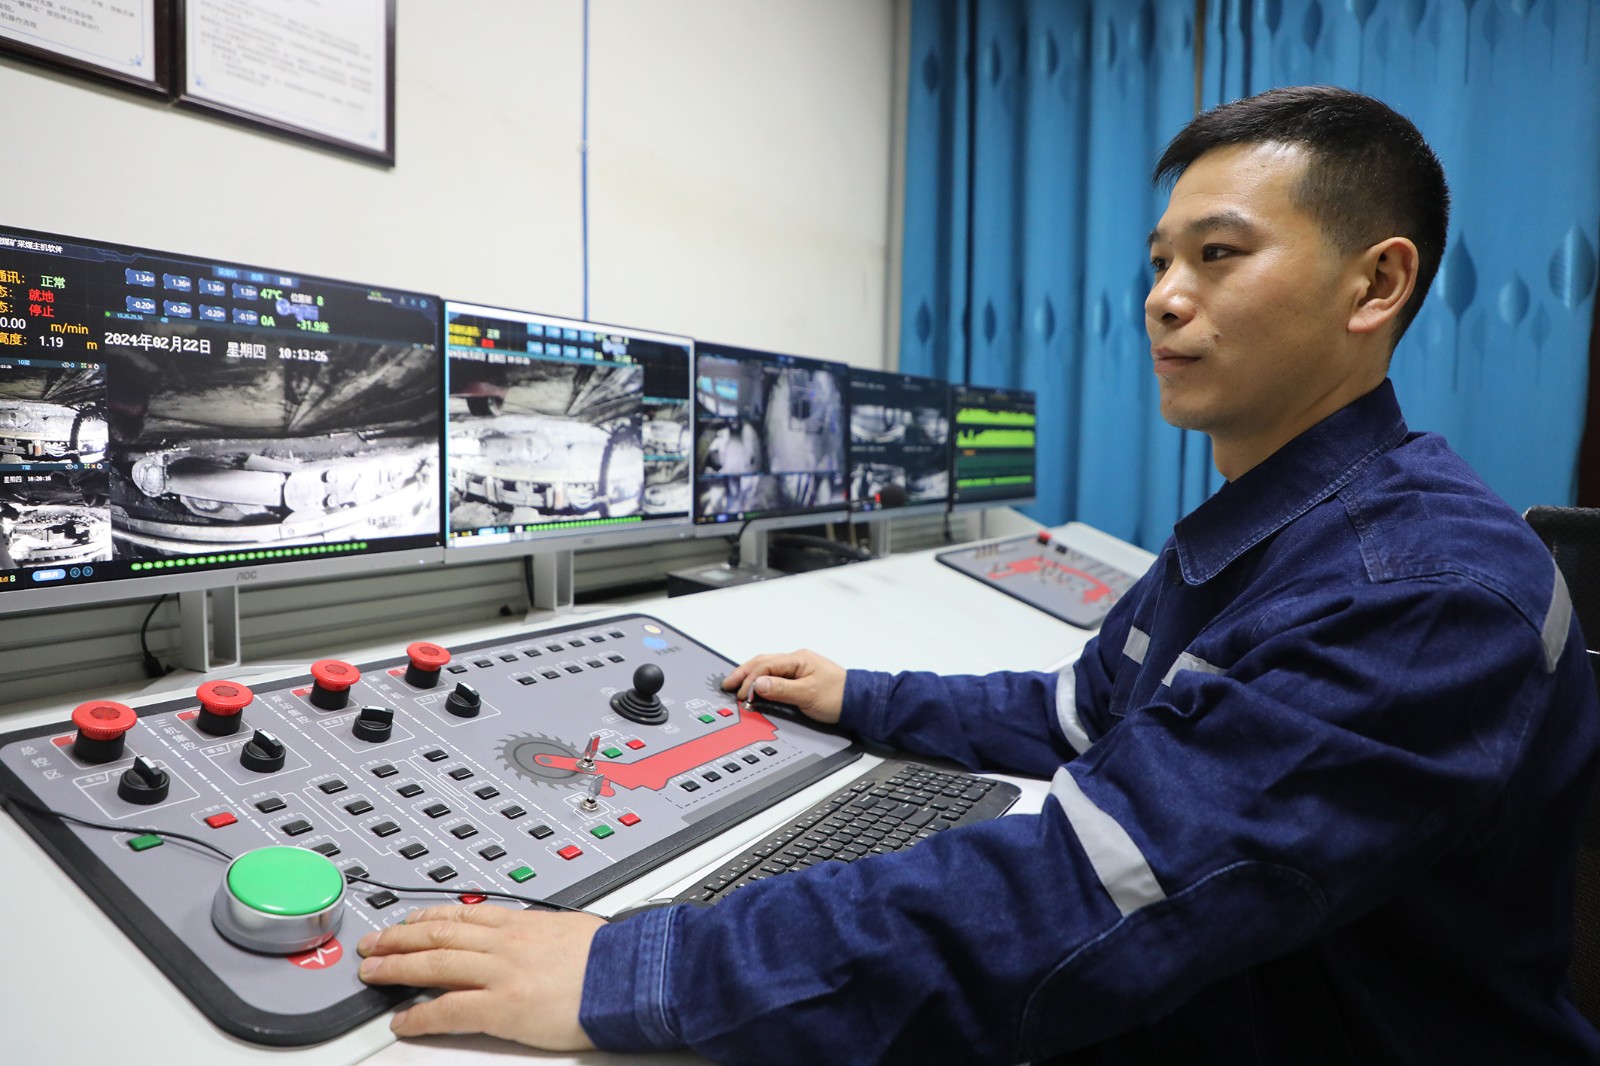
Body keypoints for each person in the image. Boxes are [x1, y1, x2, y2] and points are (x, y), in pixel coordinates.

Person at [354, 86, 1600, 1063]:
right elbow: (1080, 711)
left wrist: (643, 966)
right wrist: (861, 696)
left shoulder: (1421, 591)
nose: (1164, 299)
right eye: (1159, 261)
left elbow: (1083, 893)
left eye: (1218, 255)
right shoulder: (1272, 526)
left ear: (1376, 283)